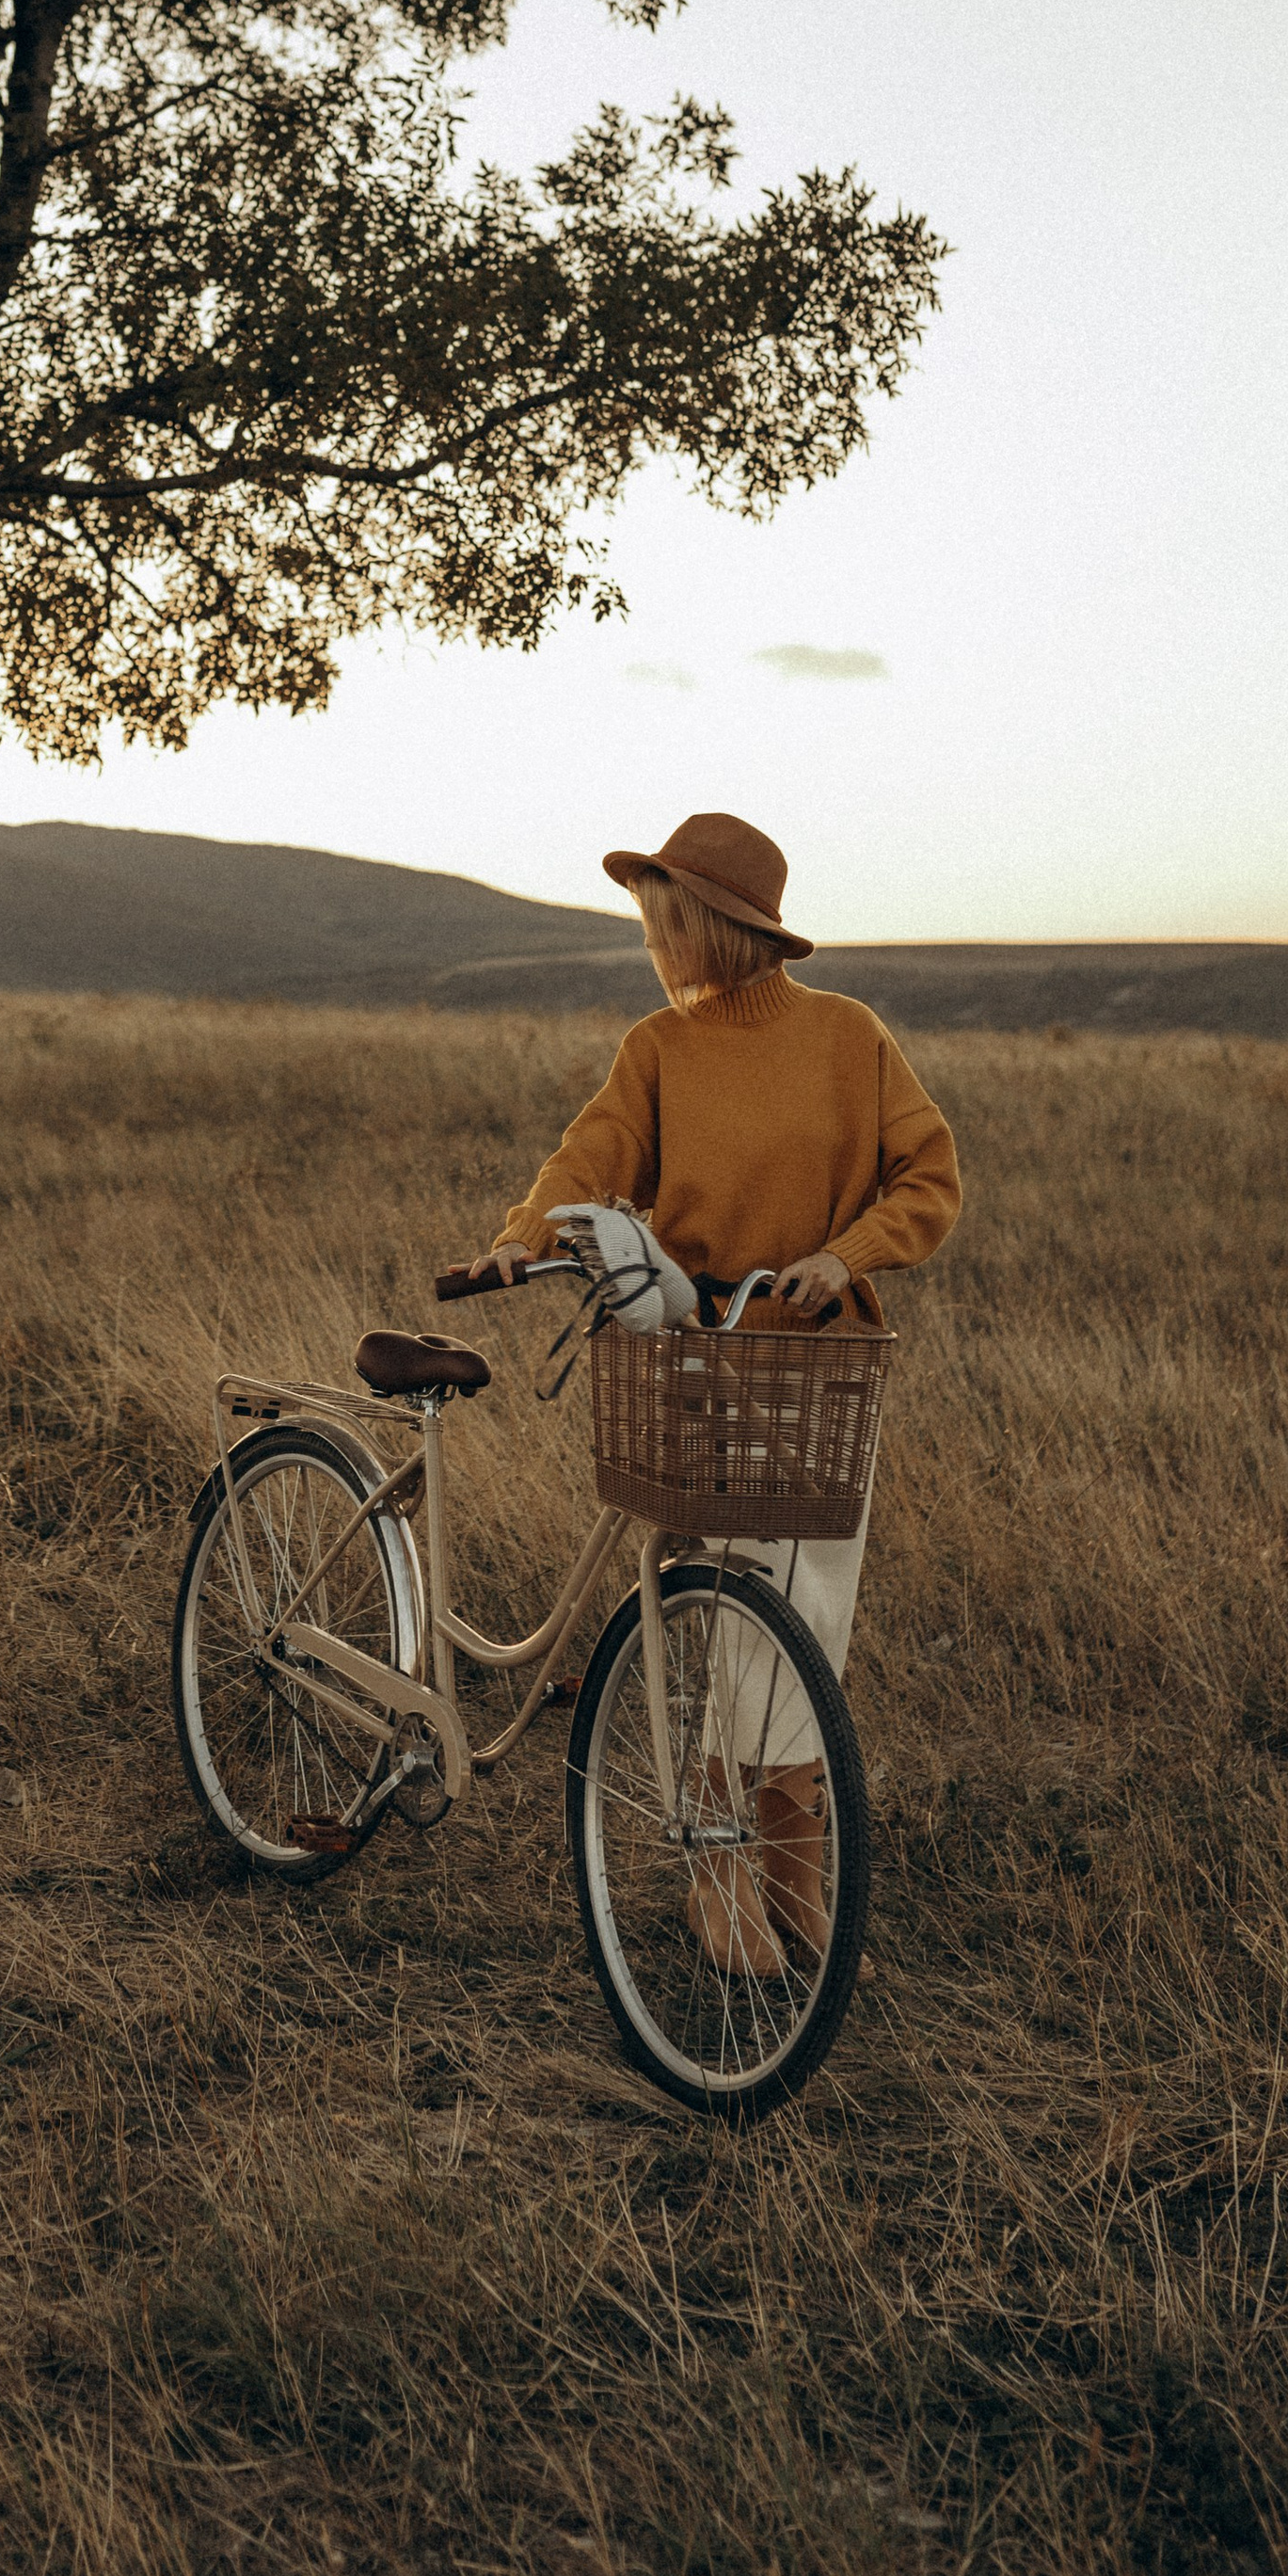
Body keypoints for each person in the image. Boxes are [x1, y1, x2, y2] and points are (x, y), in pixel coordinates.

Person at [469, 812, 960, 1976]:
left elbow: (927, 1172)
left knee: (806, 1608)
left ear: (721, 926)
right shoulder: (656, 1049)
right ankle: (723, 1862)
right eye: (647, 921)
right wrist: (515, 1239)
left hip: (818, 1365)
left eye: (664, 919)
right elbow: (586, 1160)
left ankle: (782, 1858)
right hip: (695, 1360)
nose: (652, 942)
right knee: (743, 1595)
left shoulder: (848, 1037)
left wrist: (850, 1252)